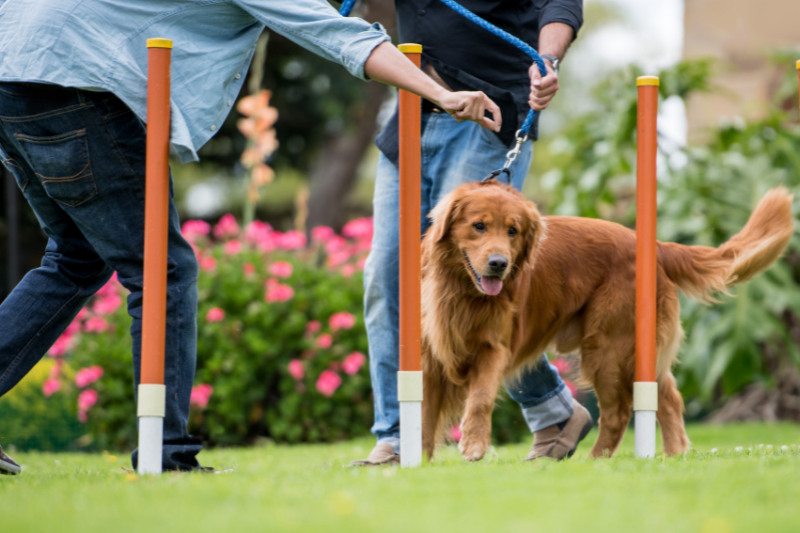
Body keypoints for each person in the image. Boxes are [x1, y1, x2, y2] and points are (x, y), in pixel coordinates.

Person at [0, 0, 502, 475]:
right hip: (69, 85)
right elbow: (338, 35)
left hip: (13, 70)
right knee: (162, 269)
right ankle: (168, 454)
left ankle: (166, 448)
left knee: (76, 259)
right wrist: (440, 94)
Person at [351, 0, 590, 466]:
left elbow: (559, 3)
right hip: (410, 111)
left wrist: (549, 60)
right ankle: (399, 434)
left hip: (490, 117)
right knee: (386, 276)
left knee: (481, 288)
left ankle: (544, 411)